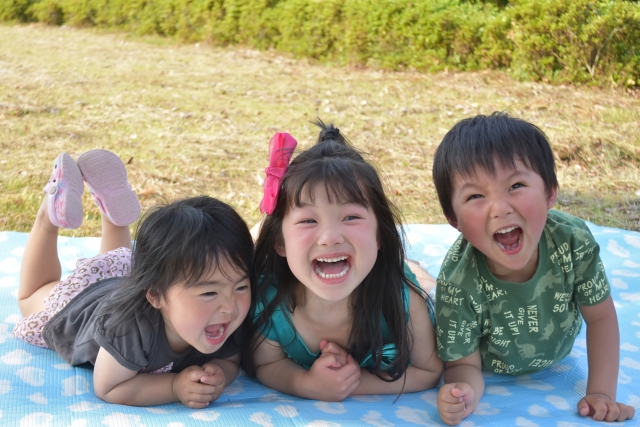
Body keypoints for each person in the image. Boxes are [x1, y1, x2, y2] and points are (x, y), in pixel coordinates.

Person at [432, 112, 635, 424]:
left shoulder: (573, 242)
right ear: (453, 219)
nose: (499, 208)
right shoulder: (457, 282)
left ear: (550, 192)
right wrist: (462, 394)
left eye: (516, 185)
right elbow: (465, 365)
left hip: (560, 352)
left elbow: (602, 317)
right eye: (475, 195)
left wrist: (602, 393)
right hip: (491, 367)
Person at [14, 149, 254, 408]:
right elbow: (108, 387)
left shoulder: (224, 317)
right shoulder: (128, 330)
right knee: (31, 296)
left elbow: (231, 359)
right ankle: (48, 217)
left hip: (126, 277)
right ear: (156, 295)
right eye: (209, 293)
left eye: (241, 286)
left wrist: (219, 373)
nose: (230, 306)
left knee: (123, 261)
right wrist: (174, 387)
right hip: (82, 303)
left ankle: (112, 209)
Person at [249, 121, 442, 401]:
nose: (329, 237)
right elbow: (266, 364)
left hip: (383, 270)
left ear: (380, 235)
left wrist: (353, 382)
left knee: (417, 275)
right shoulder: (270, 303)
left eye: (351, 217)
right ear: (280, 242)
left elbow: (428, 370)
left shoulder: (403, 298)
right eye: (308, 220)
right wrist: (306, 384)